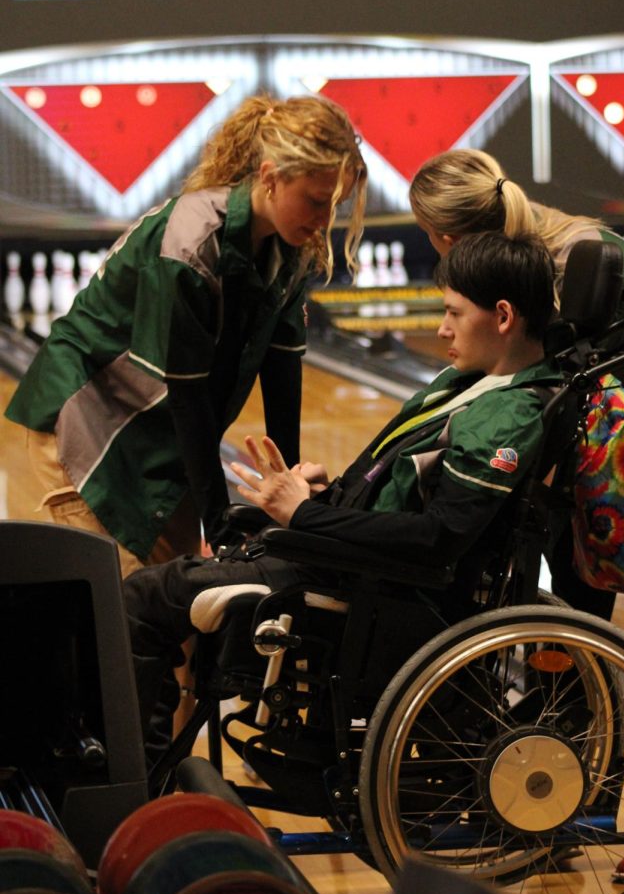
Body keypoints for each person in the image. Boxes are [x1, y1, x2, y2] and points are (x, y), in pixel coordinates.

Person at [409, 147, 624, 879]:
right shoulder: (512, 260)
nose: (431, 249)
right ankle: (574, 800)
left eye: (431, 235)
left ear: (450, 238)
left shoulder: (579, 255)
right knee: (576, 617)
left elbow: (560, 377)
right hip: (599, 448)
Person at [124, 231, 562, 762]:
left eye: (453, 312)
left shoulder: (507, 414)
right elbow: (412, 492)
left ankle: (133, 781)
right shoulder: (473, 383)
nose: (442, 328)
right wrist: (330, 495)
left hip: (365, 591)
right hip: (348, 568)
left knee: (144, 600)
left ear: (503, 316)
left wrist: (306, 515)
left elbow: (439, 537)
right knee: (154, 592)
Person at [6, 93, 367, 579]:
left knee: (179, 618)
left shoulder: (293, 249)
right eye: (317, 201)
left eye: (335, 205)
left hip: (163, 440)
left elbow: (282, 374)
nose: (325, 220)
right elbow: (188, 396)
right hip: (90, 425)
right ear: (270, 177)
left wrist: (290, 491)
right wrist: (217, 522)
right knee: (127, 615)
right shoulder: (191, 244)